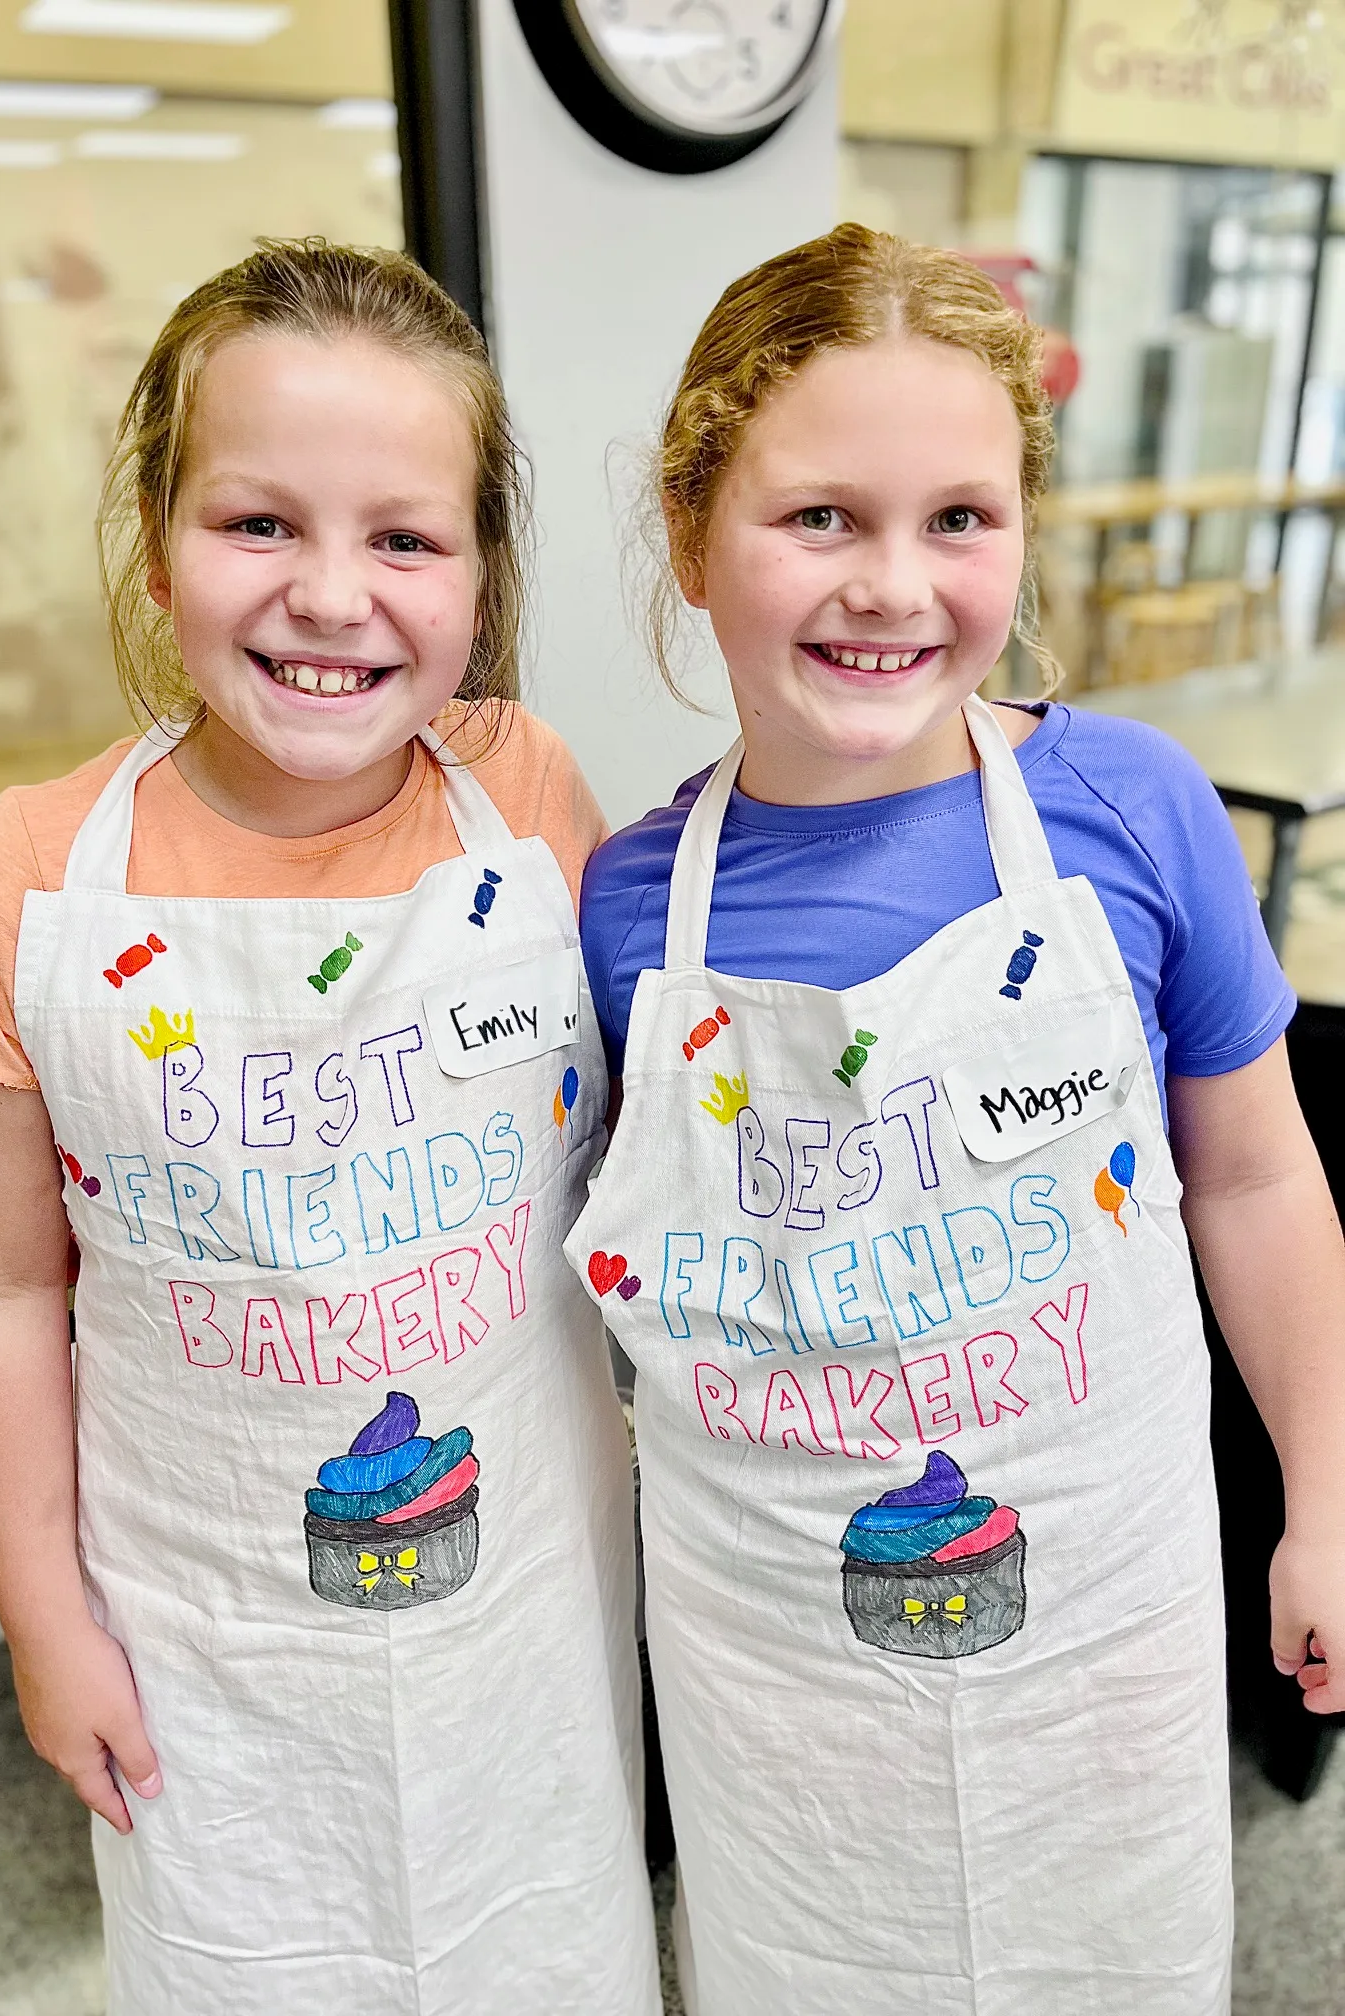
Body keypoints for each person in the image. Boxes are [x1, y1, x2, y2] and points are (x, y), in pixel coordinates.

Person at [568, 222, 1345, 2013]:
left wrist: (1324, 1484)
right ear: (694, 535)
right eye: (820, 517)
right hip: (772, 1665)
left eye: (959, 522)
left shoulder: (1131, 814)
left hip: (1102, 1633)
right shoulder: (625, 907)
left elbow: (1257, 1172)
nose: (891, 585)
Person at [0, 238, 660, 2016]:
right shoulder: (19, 883)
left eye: (404, 538)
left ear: (481, 573)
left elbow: (633, 1145)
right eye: (259, 526)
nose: (333, 597)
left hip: (527, 1604)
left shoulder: (528, 796)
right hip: (202, 1637)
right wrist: (43, 1620)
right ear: (160, 543)